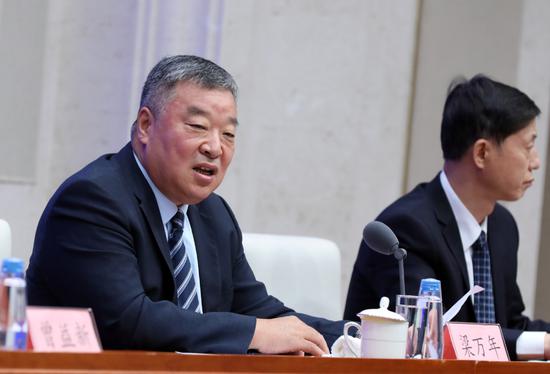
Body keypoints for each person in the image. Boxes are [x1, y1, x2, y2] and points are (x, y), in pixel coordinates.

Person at [27, 55, 344, 355]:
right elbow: (127, 321)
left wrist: (356, 335)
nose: (215, 147)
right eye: (198, 127)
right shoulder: (92, 200)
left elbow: (259, 312)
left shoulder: (212, 214)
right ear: (146, 125)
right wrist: (254, 333)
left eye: (229, 134)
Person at [344, 75, 550, 360]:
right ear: (481, 153)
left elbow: (508, 327)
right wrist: (542, 344)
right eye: (528, 147)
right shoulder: (407, 228)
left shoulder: (502, 226)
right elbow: (429, 336)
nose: (536, 161)